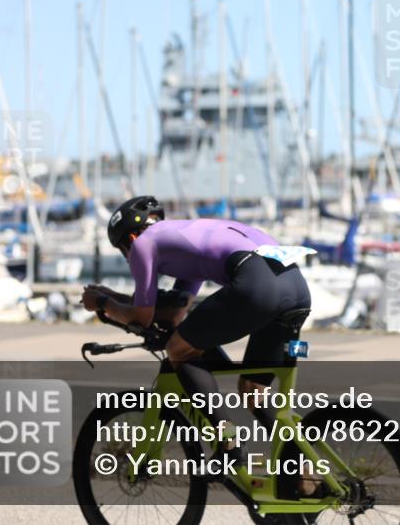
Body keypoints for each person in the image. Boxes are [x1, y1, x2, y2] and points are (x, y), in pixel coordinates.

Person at [80, 196, 312, 467]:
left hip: (258, 285)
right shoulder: (189, 238)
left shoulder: (143, 243)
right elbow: (176, 310)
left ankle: (229, 443)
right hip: (296, 288)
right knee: (253, 390)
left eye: (122, 249)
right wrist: (117, 297)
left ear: (128, 237)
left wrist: (102, 303)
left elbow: (143, 317)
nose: (128, 256)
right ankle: (305, 472)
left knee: (178, 349)